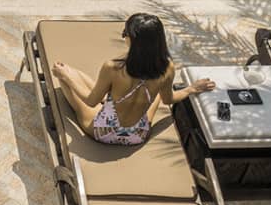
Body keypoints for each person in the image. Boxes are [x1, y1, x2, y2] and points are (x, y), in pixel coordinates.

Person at [51, 13, 214, 146]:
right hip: (138, 134)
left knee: (68, 75)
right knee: (157, 93)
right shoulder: (167, 68)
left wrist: (65, 75)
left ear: (133, 40)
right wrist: (192, 89)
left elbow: (91, 101)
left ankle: (87, 87)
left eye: (125, 34)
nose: (124, 37)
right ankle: (109, 99)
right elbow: (168, 99)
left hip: (105, 132)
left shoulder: (113, 68)